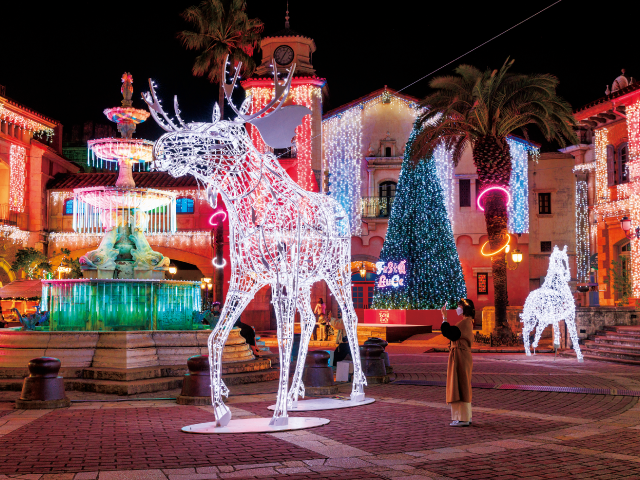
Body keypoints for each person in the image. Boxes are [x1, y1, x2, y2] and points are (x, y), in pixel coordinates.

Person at [440, 298, 474, 427]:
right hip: (459, 354)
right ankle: (461, 417)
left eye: (459, 306)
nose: (457, 308)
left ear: (465, 308)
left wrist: (444, 318)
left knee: (460, 385)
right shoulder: (467, 322)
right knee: (459, 384)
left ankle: (463, 418)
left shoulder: (465, 322)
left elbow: (449, 333)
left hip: (460, 355)